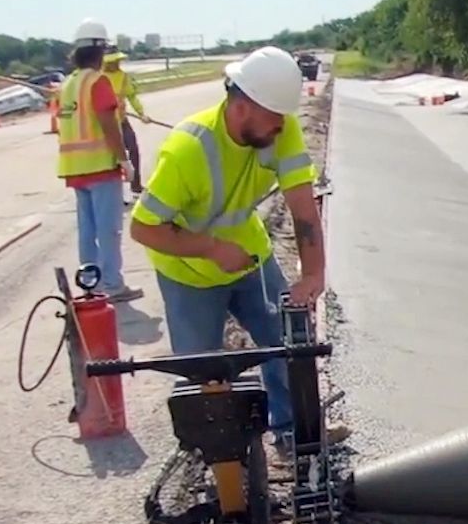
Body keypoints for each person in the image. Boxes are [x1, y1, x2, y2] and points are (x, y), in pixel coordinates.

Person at [128, 46, 346, 455]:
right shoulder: (187, 151)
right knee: (202, 376)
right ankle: (220, 461)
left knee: (286, 345)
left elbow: (302, 208)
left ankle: (294, 431)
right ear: (243, 106)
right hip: (187, 274)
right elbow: (142, 227)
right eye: (274, 117)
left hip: (250, 258)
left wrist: (313, 274)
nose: (282, 126)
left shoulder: (280, 128)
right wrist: (209, 249)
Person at [58, 20, 142, 302]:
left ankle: (91, 285)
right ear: (100, 51)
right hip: (100, 167)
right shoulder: (97, 82)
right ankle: (113, 284)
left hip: (75, 169)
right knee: (109, 230)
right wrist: (124, 159)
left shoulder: (68, 84)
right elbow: (109, 123)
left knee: (87, 232)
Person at [102, 51, 147, 200]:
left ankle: (136, 186)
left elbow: (132, 97)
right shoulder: (99, 78)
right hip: (105, 123)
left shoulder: (123, 77)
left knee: (133, 149)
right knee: (112, 158)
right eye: (112, 62)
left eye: (117, 61)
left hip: (122, 120)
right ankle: (115, 193)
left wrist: (141, 113)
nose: (115, 64)